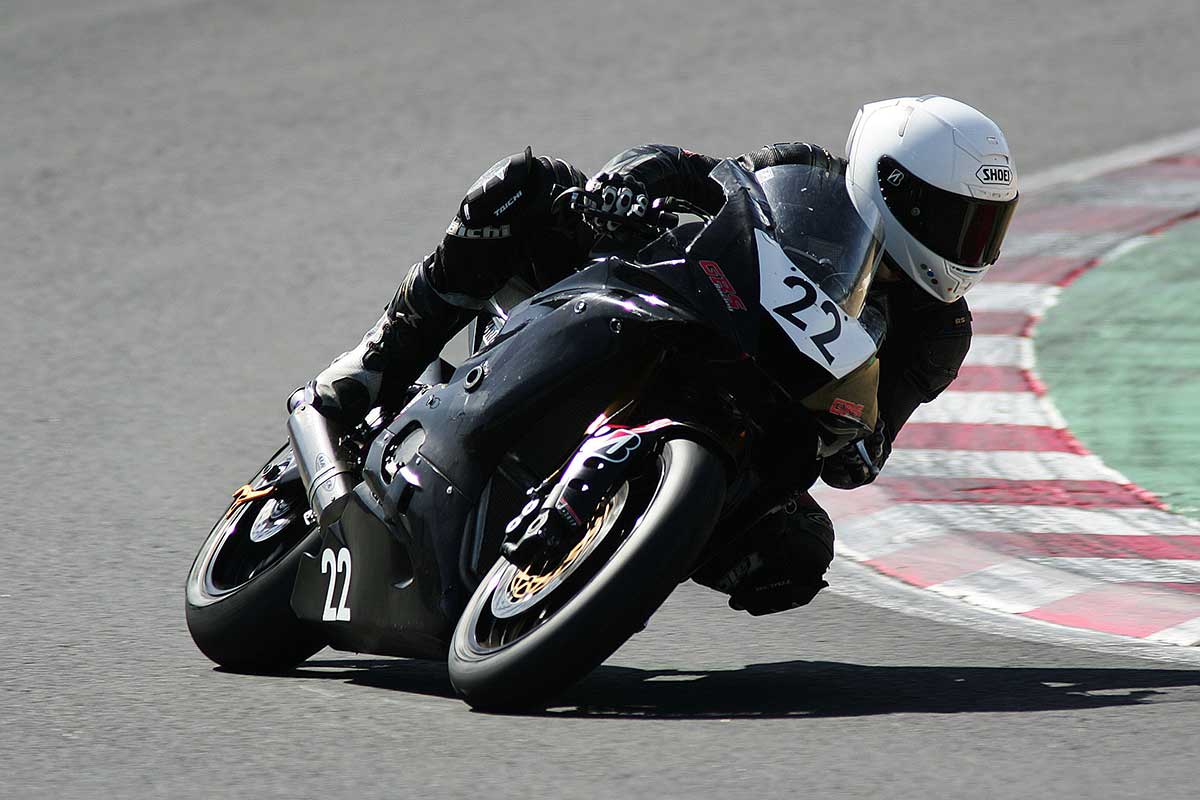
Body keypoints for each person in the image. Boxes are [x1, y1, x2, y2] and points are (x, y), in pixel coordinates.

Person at [291, 95, 1019, 615]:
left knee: (795, 554)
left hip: (752, 415)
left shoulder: (940, 333)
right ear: (895, 187)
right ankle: (374, 364)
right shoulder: (806, 173)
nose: (973, 246)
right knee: (522, 189)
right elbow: (696, 172)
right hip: (662, 305)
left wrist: (859, 443)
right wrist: (625, 186)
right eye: (960, 221)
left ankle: (621, 552)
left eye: (988, 226)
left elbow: (873, 437)